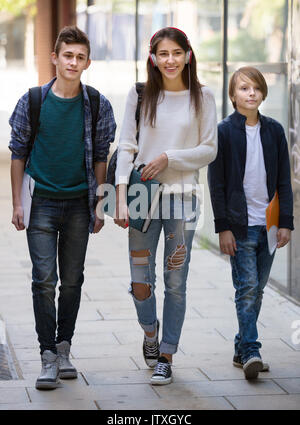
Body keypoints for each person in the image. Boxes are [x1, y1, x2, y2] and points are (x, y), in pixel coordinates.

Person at [9, 26, 116, 390]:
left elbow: (102, 156)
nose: (73, 62)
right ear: (55, 57)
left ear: (88, 62)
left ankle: (64, 347)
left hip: (78, 205)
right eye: (67, 55)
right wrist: (17, 204)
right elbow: (18, 153)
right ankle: (47, 356)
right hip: (40, 204)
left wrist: (102, 204)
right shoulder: (33, 100)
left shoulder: (98, 103)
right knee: (44, 281)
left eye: (80, 57)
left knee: (71, 281)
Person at [114, 27, 217, 385]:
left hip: (182, 200)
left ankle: (167, 355)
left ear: (187, 55)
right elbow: (126, 145)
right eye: (163, 54)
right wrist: (120, 195)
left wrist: (169, 157)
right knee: (140, 281)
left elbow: (209, 148)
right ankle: (149, 333)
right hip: (142, 197)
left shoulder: (203, 96)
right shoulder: (140, 94)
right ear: (152, 58)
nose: (170, 60)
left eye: (176, 53)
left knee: (176, 281)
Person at [208, 66, 294, 380]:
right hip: (240, 225)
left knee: (256, 292)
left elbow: (284, 180)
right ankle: (252, 350)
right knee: (246, 289)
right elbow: (216, 184)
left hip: (269, 225)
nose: (251, 93)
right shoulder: (224, 131)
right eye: (244, 88)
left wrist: (286, 222)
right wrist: (223, 228)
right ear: (233, 96)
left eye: (256, 87)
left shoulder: (274, 131)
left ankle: (240, 345)